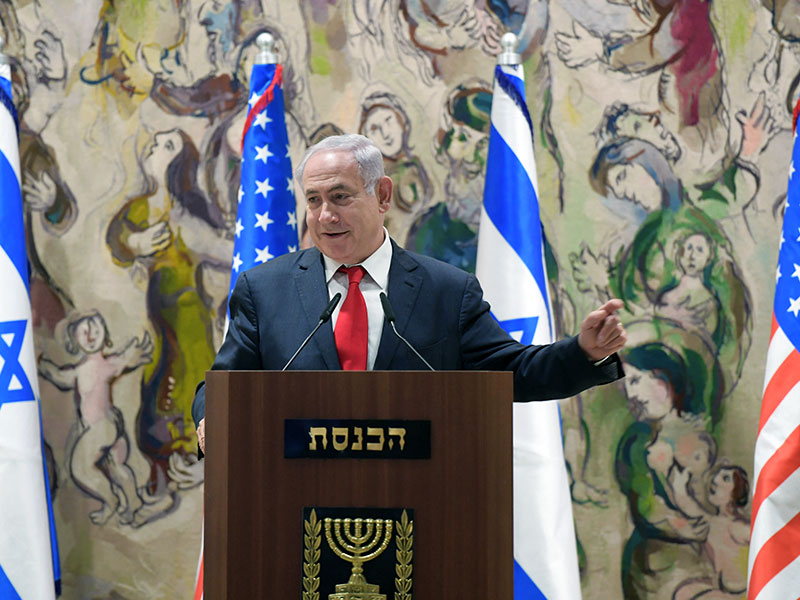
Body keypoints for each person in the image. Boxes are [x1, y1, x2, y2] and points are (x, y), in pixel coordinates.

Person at [192, 134, 627, 452]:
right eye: (313, 200)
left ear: (382, 195)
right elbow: (225, 382)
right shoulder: (265, 290)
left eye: (340, 197)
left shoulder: (447, 292)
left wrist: (585, 351)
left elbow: (512, 372)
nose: (324, 216)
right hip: (293, 508)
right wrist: (210, 417)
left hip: (415, 513)